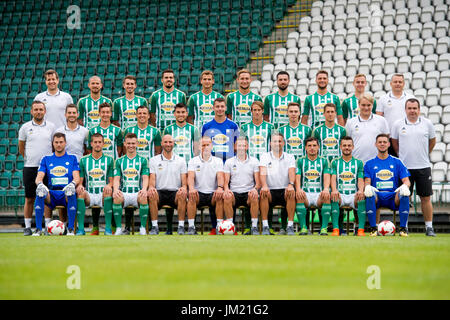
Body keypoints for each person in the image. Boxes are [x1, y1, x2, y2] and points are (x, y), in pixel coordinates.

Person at [391, 98, 437, 236]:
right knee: (405, 197)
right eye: (409, 108)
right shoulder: (398, 124)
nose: (412, 111)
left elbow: (432, 142)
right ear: (405, 110)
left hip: (423, 166)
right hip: (405, 168)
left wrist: (423, 154)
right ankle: (404, 227)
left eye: (414, 108)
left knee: (425, 198)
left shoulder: (427, 124)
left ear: (419, 109)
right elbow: (394, 144)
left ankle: (429, 227)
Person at [18, 101, 56, 236]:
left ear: (45, 111)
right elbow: (21, 147)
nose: (38, 112)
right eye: (36, 109)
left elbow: (54, 146)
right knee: (29, 198)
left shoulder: (51, 127)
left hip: (46, 168)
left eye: (41, 109)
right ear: (31, 111)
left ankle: (47, 227)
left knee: (46, 197)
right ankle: (28, 227)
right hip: (30, 167)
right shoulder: (25, 127)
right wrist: (30, 158)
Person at [364, 134, 411, 237]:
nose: (382, 144)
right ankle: (373, 229)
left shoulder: (397, 162)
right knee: (369, 193)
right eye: (380, 142)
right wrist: (367, 187)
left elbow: (407, 181)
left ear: (389, 144)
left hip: (393, 196)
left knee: (404, 193)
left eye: (384, 142)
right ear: (375, 144)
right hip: (377, 195)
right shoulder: (369, 163)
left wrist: (405, 186)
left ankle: (403, 229)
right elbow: (367, 181)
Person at [33, 133, 80, 236]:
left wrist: (72, 184)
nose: (59, 145)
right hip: (52, 194)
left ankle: (71, 229)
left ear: (65, 143)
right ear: (53, 144)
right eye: (56, 142)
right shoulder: (46, 159)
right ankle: (38, 229)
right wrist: (40, 184)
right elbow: (39, 177)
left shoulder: (72, 158)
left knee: (71, 191)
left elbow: (76, 177)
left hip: (66, 193)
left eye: (61, 142)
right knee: (40, 192)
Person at [148, 135, 188, 235]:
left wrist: (183, 188)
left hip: (175, 193)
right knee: (152, 194)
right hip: (160, 192)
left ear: (174, 143)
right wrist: (151, 188)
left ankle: (181, 227)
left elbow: (184, 182)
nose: (168, 144)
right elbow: (152, 180)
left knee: (183, 194)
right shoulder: (154, 160)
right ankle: (154, 227)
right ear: (161, 143)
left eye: (170, 142)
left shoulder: (181, 160)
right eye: (165, 142)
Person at [76, 133, 114, 235]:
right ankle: (80, 229)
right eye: (95, 142)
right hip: (90, 194)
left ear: (103, 144)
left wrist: (109, 185)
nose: (97, 144)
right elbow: (81, 180)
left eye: (100, 142)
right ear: (91, 144)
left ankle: (108, 229)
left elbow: (111, 180)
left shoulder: (109, 160)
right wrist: (80, 186)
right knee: (80, 193)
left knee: (108, 192)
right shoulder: (84, 160)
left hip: (103, 194)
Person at [112, 133, 150, 236]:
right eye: (128, 143)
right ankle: (119, 228)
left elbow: (145, 177)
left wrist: (144, 189)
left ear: (137, 144)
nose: (131, 146)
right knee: (117, 197)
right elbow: (116, 178)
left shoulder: (143, 160)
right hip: (124, 192)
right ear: (124, 144)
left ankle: (142, 228)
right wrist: (115, 190)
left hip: (137, 192)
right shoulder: (119, 161)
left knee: (143, 197)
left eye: (133, 143)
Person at [259, 132, 296, 235]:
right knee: (263, 193)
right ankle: (265, 226)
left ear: (283, 143)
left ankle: (290, 226)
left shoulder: (290, 157)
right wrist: (264, 185)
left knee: (292, 193)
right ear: (270, 143)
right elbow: (262, 172)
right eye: (275, 141)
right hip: (270, 190)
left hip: (285, 190)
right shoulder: (264, 156)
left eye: (279, 141)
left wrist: (291, 184)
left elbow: (292, 171)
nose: (277, 143)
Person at [187, 136, 224, 235]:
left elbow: (220, 176)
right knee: (191, 196)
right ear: (199, 147)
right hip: (198, 193)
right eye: (203, 145)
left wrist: (220, 188)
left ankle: (219, 227)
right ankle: (191, 227)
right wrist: (191, 188)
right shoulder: (193, 161)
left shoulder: (218, 161)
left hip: (213, 193)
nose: (206, 147)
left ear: (212, 146)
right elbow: (190, 177)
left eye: (208, 145)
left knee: (220, 196)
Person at [223, 137, 261, 235]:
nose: (241, 148)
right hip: (234, 192)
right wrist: (226, 189)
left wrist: (255, 189)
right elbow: (226, 181)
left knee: (254, 196)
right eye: (239, 145)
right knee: (227, 196)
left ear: (247, 147)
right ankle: (230, 227)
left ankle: (254, 227)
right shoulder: (229, 162)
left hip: (248, 192)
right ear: (235, 147)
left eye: (244, 145)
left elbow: (258, 182)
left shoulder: (254, 161)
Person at [295, 137, 332, 236]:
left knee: (327, 195)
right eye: (309, 146)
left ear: (319, 147)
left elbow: (327, 176)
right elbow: (297, 177)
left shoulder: (324, 161)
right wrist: (298, 189)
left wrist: (325, 189)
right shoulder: (300, 161)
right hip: (305, 194)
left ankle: (324, 228)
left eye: (314, 145)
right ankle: (303, 228)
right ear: (305, 148)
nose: (312, 148)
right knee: (299, 195)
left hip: (318, 194)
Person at [330, 137, 366, 236]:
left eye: (349, 145)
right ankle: (336, 230)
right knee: (334, 197)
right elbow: (333, 178)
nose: (347, 147)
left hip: (353, 195)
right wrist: (334, 190)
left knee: (361, 198)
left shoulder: (358, 162)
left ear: (353, 147)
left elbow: (360, 179)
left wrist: (360, 190)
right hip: (340, 194)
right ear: (340, 147)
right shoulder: (335, 162)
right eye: (344, 145)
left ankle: (361, 230)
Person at [376, 73, 415, 156]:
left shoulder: (411, 98)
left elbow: (415, 117)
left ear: (404, 84)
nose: (398, 84)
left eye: (400, 82)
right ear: (391, 84)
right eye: (395, 82)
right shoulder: (383, 99)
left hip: (406, 136)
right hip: (389, 138)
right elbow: (378, 119)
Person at [345, 93, 389, 164]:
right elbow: (347, 142)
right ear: (359, 105)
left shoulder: (381, 120)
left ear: (372, 105)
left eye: (369, 105)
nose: (366, 108)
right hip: (357, 162)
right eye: (363, 105)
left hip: (377, 162)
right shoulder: (350, 122)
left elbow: (386, 140)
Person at [201, 98, 239, 163]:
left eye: (222, 106)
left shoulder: (233, 125)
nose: (220, 109)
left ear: (226, 108)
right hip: (212, 163)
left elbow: (236, 146)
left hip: (229, 162)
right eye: (217, 107)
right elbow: (204, 146)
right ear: (213, 108)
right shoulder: (206, 126)